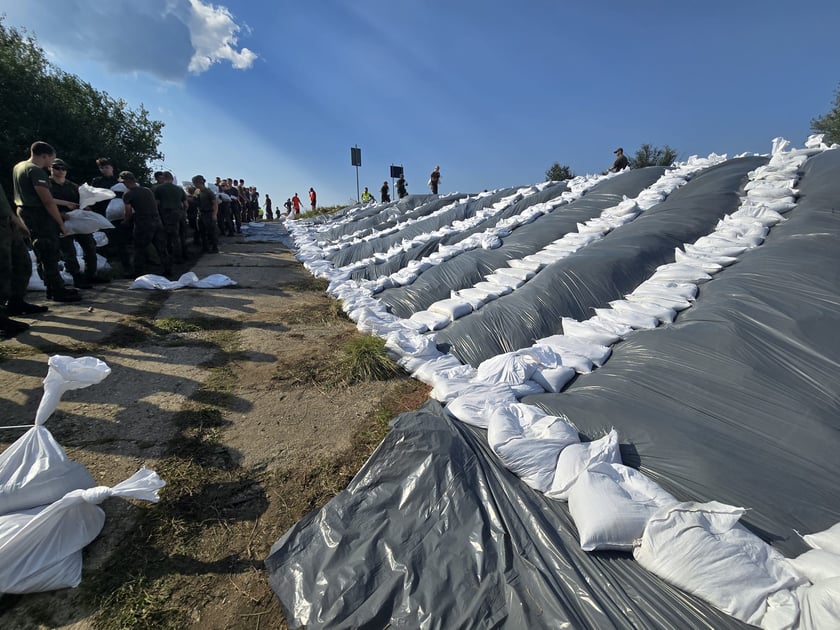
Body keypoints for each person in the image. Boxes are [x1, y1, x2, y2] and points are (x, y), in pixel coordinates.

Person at [13, 141, 81, 302]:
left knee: (41, 251)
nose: (52, 163)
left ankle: (52, 287)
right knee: (49, 251)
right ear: (44, 156)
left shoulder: (19, 167)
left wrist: (65, 203)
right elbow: (47, 201)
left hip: (25, 212)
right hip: (39, 216)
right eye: (52, 159)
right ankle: (57, 290)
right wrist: (61, 224)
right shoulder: (35, 170)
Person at [49, 158, 104, 289]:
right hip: (61, 220)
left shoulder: (72, 186)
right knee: (69, 251)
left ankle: (91, 274)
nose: (61, 171)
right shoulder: (47, 185)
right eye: (57, 168)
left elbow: (82, 200)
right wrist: (61, 214)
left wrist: (87, 208)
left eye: (63, 168)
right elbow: (46, 203)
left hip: (78, 220)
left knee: (90, 245)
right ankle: (76, 277)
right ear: (50, 168)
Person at [1, 181, 44, 337]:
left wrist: (16, 221)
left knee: (23, 263)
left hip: (7, 222)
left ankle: (16, 302)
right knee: (2, 270)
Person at [120, 171, 171, 278]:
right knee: (161, 247)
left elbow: (128, 212)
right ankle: (168, 269)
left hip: (143, 223)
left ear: (126, 182)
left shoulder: (128, 194)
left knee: (139, 248)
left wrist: (125, 222)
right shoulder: (147, 190)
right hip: (157, 220)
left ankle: (137, 272)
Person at [154, 171, 189, 263]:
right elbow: (186, 204)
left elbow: (156, 204)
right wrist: (183, 212)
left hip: (168, 214)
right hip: (180, 213)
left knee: (173, 236)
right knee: (182, 235)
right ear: (172, 179)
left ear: (163, 178)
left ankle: (177, 257)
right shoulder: (179, 189)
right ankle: (185, 254)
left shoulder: (159, 189)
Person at [192, 175, 219, 253]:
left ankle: (214, 247)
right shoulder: (197, 191)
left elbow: (215, 203)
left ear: (200, 183)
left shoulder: (208, 192)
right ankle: (205, 247)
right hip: (201, 213)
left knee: (211, 231)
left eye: (195, 183)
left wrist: (214, 214)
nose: (194, 185)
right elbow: (195, 201)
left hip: (208, 213)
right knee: (202, 231)